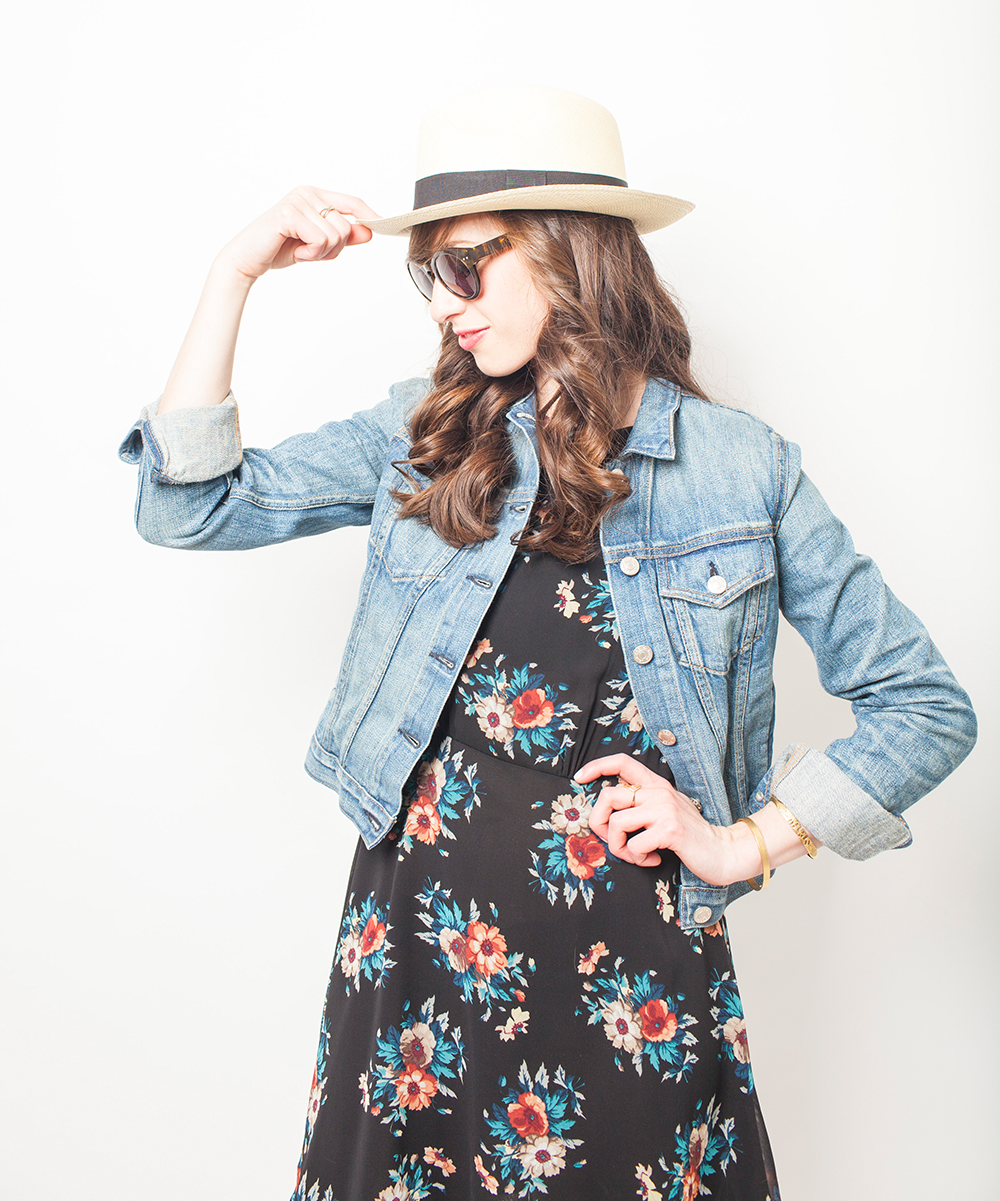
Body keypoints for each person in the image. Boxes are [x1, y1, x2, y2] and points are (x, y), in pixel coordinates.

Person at [120, 86, 975, 1201]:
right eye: (431, 275)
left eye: (469, 266)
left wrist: (742, 845)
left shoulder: (739, 468)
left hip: (631, 976)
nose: (447, 307)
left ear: (570, 256)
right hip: (416, 949)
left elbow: (923, 703)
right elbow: (189, 508)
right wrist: (233, 274)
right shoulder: (422, 435)